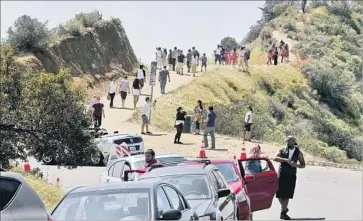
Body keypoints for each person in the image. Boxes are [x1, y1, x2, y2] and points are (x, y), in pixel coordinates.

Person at [274, 136, 306, 220]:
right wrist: (285, 159)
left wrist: (296, 165)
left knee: (287, 195)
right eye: (287, 141)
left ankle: (283, 213)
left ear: (294, 142)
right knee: (279, 194)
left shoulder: (298, 152)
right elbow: (275, 158)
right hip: (282, 173)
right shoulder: (282, 149)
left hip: (291, 175)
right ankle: (284, 208)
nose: (288, 142)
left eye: (290, 141)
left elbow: (303, 165)